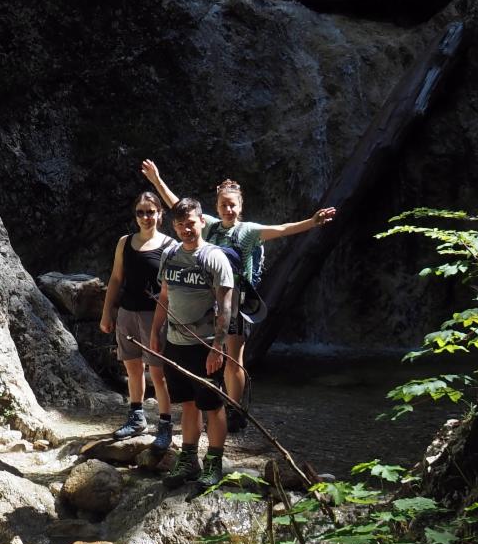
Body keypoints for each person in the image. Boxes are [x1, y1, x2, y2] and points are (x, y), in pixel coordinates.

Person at [142, 160, 335, 421]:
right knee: (208, 355)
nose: (228, 209)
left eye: (233, 205)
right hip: (209, 302)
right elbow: (178, 207)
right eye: (223, 205)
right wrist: (156, 180)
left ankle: (234, 409)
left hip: (238, 303)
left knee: (233, 359)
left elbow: (283, 230)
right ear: (216, 207)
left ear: (240, 206)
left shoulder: (249, 231)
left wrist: (313, 222)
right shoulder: (207, 225)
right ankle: (212, 405)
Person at [151, 198, 235, 488]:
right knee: (187, 404)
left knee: (212, 405)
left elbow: (225, 307)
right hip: (175, 343)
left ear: (202, 221)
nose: (186, 229)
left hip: (205, 344)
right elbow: (164, 297)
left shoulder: (215, 258)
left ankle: (214, 462)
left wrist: (218, 347)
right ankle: (188, 460)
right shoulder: (170, 255)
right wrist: (155, 333)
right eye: (180, 224)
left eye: (191, 223)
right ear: (173, 226)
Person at [99, 191, 176, 446]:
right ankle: (136, 417)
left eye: (150, 212)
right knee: (132, 368)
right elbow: (116, 279)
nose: (145, 217)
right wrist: (107, 312)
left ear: (160, 214)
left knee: (158, 372)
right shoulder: (125, 242)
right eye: (140, 212)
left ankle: (165, 424)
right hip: (127, 313)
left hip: (155, 316)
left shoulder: (169, 246)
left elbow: (171, 289)